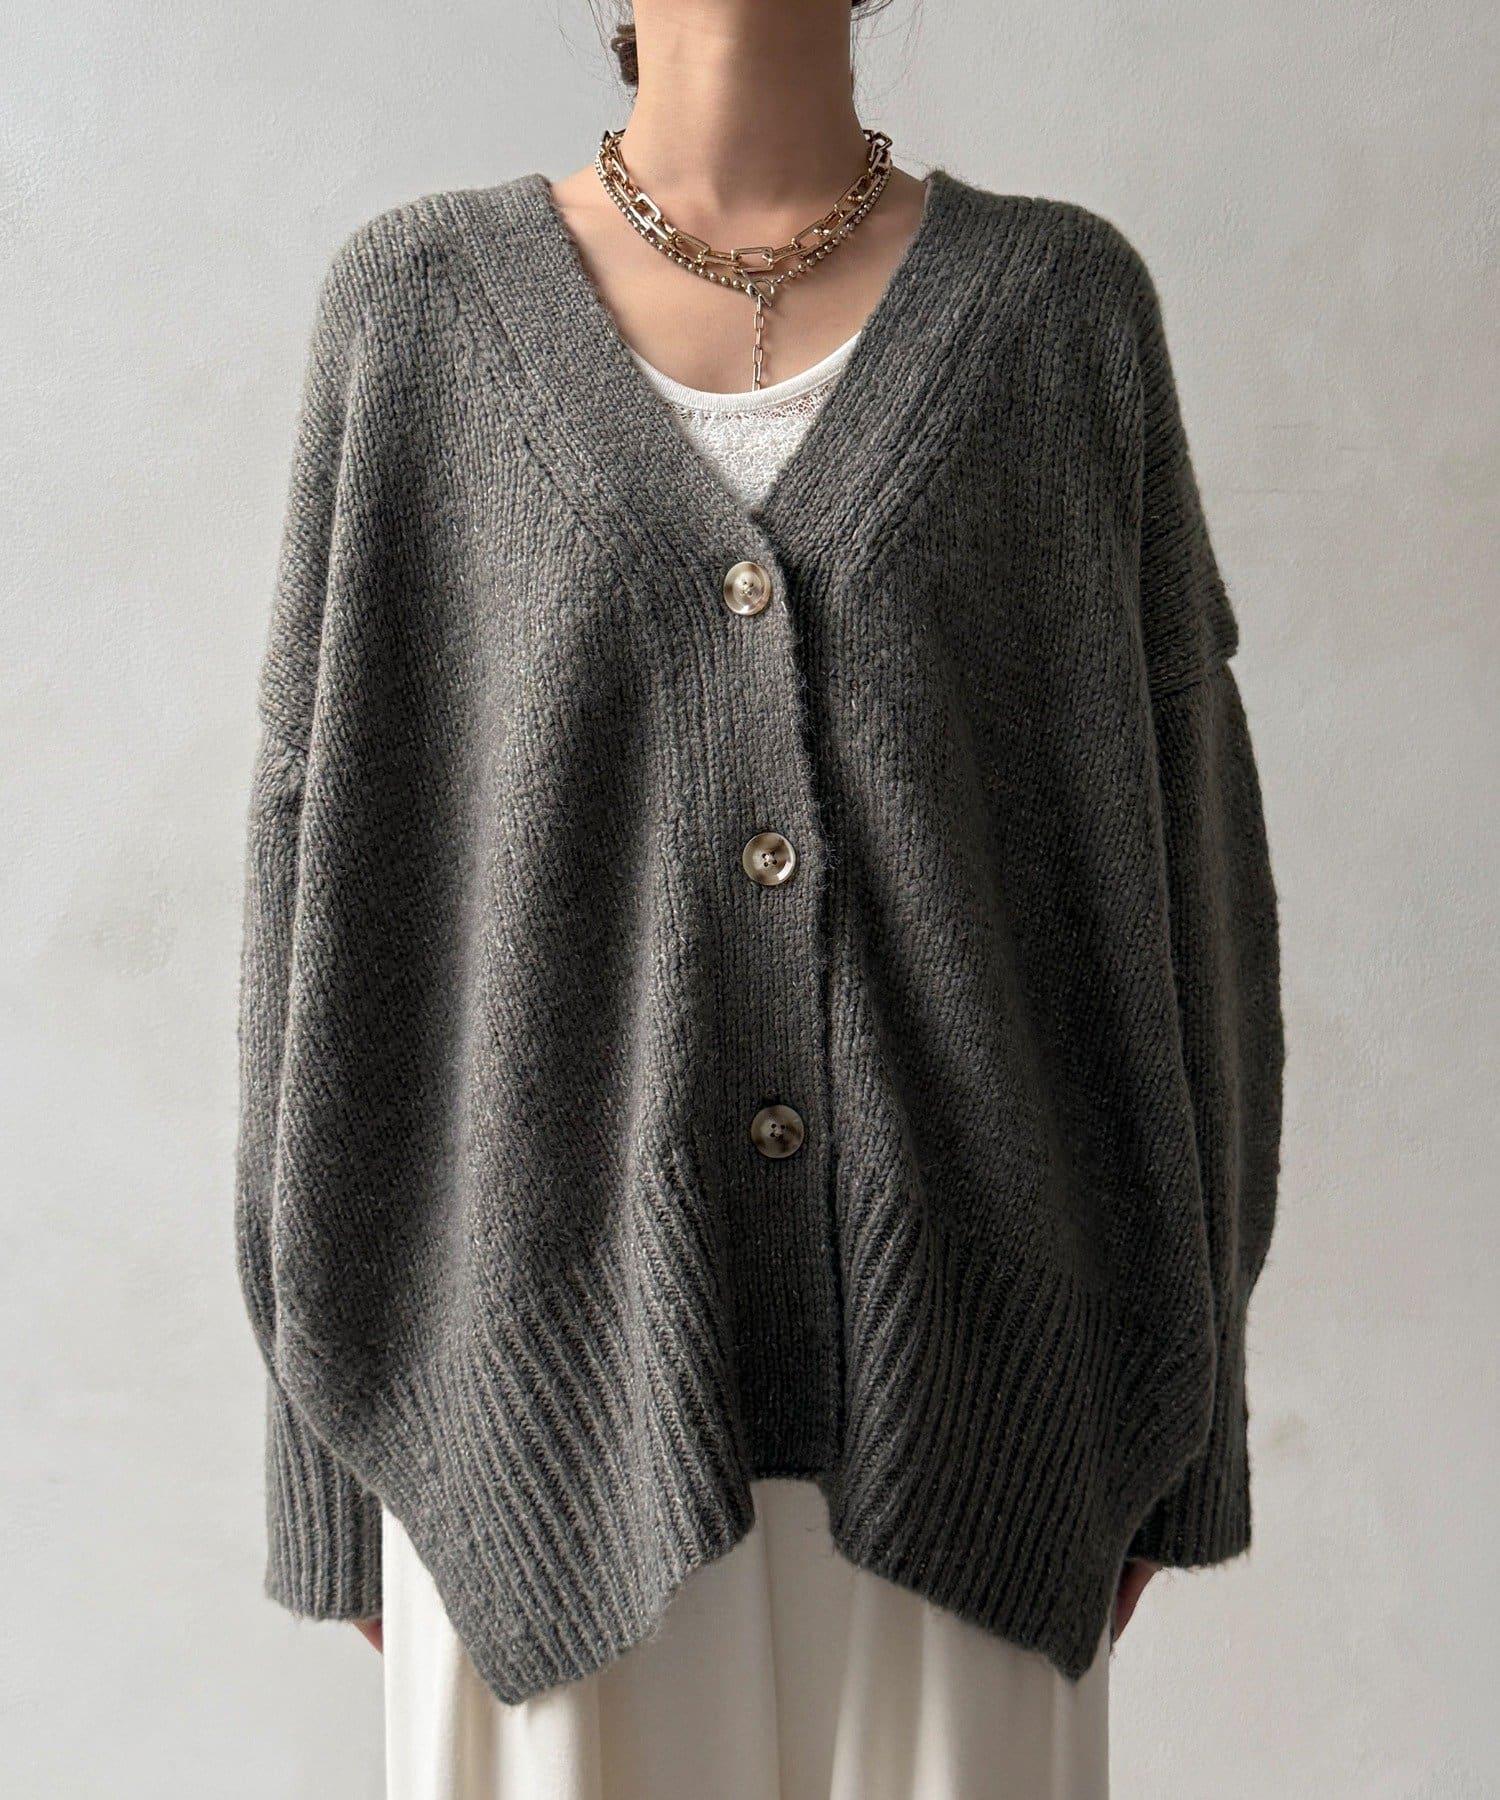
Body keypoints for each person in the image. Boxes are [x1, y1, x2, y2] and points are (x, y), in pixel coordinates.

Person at [234, 1, 1286, 1794]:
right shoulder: (415, 315)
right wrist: (329, 1478)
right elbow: (322, 898)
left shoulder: (1061, 315)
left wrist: (1189, 1452)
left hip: (984, 1427)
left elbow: (1188, 885)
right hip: (525, 1451)